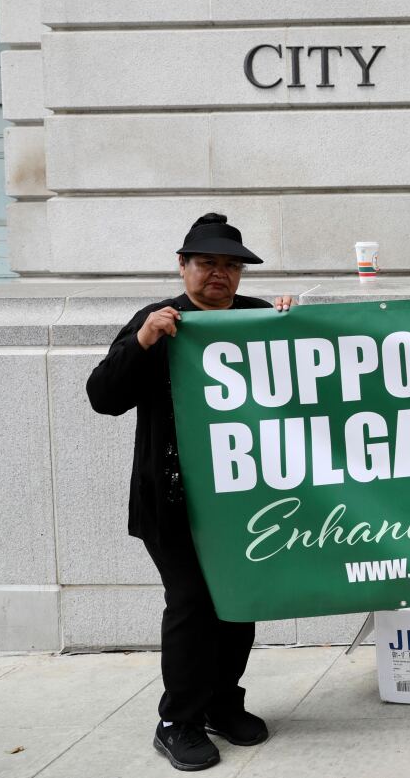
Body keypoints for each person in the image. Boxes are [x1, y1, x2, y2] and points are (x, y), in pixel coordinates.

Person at [87, 213, 295, 771]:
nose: (219, 275)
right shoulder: (159, 321)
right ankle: (177, 720)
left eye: (230, 266)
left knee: (237, 601)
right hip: (171, 500)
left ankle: (223, 704)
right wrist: (142, 340)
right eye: (207, 264)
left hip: (243, 500)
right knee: (192, 604)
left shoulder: (255, 318)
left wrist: (292, 324)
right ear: (183, 266)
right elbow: (103, 396)